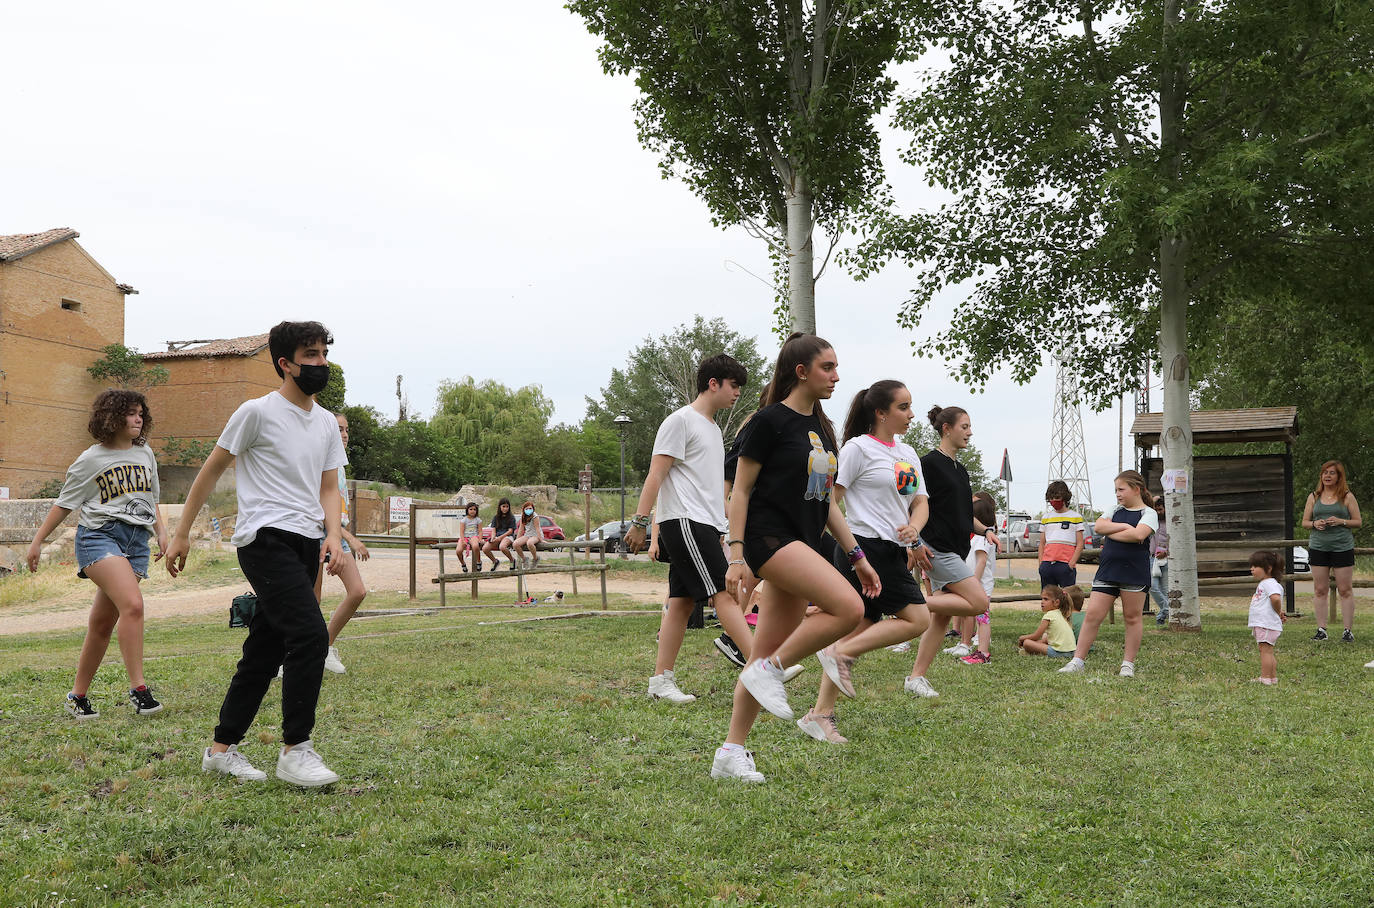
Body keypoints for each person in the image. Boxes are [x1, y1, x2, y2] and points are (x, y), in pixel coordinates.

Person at [167, 320, 347, 787]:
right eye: (310, 355)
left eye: (324, 353)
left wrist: (333, 533)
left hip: (307, 541)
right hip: (264, 539)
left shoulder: (326, 422)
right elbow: (210, 471)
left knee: (265, 650)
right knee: (310, 637)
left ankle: (220, 751)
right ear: (285, 363)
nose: (320, 363)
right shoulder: (256, 413)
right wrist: (181, 532)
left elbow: (329, 487)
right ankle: (296, 750)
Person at [711, 333, 879, 782]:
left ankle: (731, 752)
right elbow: (740, 492)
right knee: (849, 608)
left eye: (837, 367)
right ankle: (775, 669)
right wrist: (735, 554)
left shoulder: (822, 430)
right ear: (801, 372)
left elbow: (825, 504)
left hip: (801, 540)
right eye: (828, 367)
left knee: (757, 661)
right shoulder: (767, 422)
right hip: (769, 540)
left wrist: (857, 554)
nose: (837, 376)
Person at [795, 380, 933, 744]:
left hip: (893, 549)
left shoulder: (908, 453)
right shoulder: (858, 449)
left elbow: (920, 502)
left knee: (862, 624)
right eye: (903, 407)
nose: (911, 414)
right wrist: (849, 549)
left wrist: (914, 531)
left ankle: (819, 715)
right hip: (864, 548)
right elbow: (829, 500)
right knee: (918, 618)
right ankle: (839, 652)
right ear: (881, 412)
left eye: (910, 405)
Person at [27, 389, 169, 719]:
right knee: (133, 605)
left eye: (140, 413)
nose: (139, 418)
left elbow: (152, 499)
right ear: (111, 418)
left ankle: (77, 696)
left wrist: (162, 534)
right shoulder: (90, 459)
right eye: (131, 413)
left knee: (103, 624)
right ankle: (139, 689)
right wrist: (37, 542)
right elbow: (64, 504)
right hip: (99, 538)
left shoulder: (144, 453)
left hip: (136, 543)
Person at [623, 353, 753, 704]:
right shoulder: (679, 421)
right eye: (733, 385)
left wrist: (724, 525)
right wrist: (639, 522)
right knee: (723, 593)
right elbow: (656, 474)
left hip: (705, 523)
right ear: (713, 383)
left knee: (680, 603)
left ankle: (660, 681)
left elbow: (708, 486)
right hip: (683, 520)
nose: (737, 392)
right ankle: (762, 666)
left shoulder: (711, 428)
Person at [904, 406, 1002, 699]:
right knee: (977, 601)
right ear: (946, 428)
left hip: (955, 550)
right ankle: (908, 601)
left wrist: (984, 530)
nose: (970, 432)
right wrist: (915, 543)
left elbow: (962, 513)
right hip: (936, 549)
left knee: (942, 619)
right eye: (965, 426)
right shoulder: (927, 464)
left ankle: (916, 677)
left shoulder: (960, 469)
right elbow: (911, 505)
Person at [1058, 470, 1157, 677]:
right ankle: (1078, 661)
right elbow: (1100, 527)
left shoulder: (1149, 513)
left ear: (1136, 489)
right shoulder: (1114, 509)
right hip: (1107, 571)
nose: (1118, 494)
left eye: (1121, 489)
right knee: (1093, 615)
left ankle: (1127, 665)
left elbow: (1139, 534)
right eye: (1116, 490)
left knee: (1132, 618)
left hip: (1135, 573)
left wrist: (1113, 532)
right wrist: (1123, 527)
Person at [313, 411, 369, 675]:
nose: (344, 435)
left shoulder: (341, 466)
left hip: (338, 535)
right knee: (311, 599)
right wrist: (350, 538)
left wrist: (344, 535)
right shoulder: (318, 462)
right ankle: (288, 657)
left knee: (357, 591)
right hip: (316, 535)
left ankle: (324, 647)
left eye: (346, 430)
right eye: (338, 429)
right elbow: (321, 509)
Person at [1302, 460, 1361, 641]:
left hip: (1342, 547)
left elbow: (1358, 522)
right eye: (1325, 472)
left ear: (1339, 476)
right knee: (1320, 589)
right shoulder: (1314, 497)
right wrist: (1314, 523)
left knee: (1345, 589)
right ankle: (1322, 630)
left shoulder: (1347, 496)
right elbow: (1304, 522)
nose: (1327, 476)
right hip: (1319, 547)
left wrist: (1341, 521)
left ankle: (1347, 631)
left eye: (1332, 473)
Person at [956, 491, 999, 665]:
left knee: (983, 620)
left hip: (980, 587)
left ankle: (983, 653)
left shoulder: (982, 539)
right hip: (979, 586)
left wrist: (972, 583)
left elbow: (981, 562)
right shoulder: (979, 538)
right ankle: (980, 650)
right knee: (981, 619)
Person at [1247, 550, 1285, 685]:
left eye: (1255, 566)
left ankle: (1265, 678)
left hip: (1266, 623)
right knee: (1267, 650)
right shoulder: (1266, 583)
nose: (1252, 569)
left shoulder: (1269, 583)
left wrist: (1278, 610)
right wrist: (1279, 612)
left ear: (1268, 568)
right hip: (1264, 623)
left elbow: (1275, 598)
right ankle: (1272, 678)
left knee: (1265, 651)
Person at [1037, 480, 1084, 588]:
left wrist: (1071, 564)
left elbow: (1080, 543)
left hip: (1066, 565)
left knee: (1068, 599)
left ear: (1064, 497)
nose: (1054, 501)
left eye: (1057, 497)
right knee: (1049, 598)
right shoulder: (1046, 517)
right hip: (1047, 564)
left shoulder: (1075, 517)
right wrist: (1041, 564)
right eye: (1051, 498)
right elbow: (1042, 543)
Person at [1016, 585, 1077, 658]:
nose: (1042, 602)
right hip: (1072, 652)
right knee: (1045, 636)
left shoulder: (1049, 615)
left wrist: (1022, 638)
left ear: (1056, 602)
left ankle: (1028, 650)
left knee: (1027, 643)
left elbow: (1036, 636)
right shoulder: (1061, 614)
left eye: (1046, 599)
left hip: (1058, 653)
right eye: (1042, 599)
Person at [1147, 499, 1170, 624]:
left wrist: (1166, 552)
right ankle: (1168, 609)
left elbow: (1174, 540)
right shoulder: (1151, 522)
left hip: (1166, 558)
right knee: (1152, 586)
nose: (1158, 512)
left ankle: (1161, 618)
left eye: (1160, 509)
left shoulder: (1170, 523)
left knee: (1165, 589)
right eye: (1156, 509)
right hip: (1152, 558)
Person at [483, 498, 519, 569]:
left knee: (502, 547)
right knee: (485, 548)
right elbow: (493, 530)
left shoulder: (511, 517)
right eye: (503, 506)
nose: (505, 508)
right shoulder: (496, 517)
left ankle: (512, 560)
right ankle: (494, 561)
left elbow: (510, 531)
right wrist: (493, 537)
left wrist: (500, 538)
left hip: (508, 536)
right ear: (500, 507)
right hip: (497, 536)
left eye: (507, 506)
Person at [512, 500, 543, 568]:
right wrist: (517, 539)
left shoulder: (535, 516)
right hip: (527, 534)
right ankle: (524, 559)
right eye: (527, 509)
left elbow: (537, 529)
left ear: (533, 509)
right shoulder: (523, 516)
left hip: (535, 535)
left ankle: (535, 558)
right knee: (515, 544)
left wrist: (541, 539)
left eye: (530, 508)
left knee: (529, 543)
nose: (528, 510)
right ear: (524, 509)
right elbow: (521, 529)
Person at [457, 502, 484, 573]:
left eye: (474, 509)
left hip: (474, 536)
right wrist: (463, 540)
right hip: (465, 537)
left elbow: (480, 531)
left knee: (475, 546)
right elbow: (461, 532)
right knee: (458, 551)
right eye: (471, 509)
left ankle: (478, 561)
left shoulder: (478, 520)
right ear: (467, 510)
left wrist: (480, 539)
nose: (472, 511)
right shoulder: (463, 520)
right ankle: (463, 564)